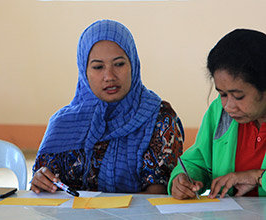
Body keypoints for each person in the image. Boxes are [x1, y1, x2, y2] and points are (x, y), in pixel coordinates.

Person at [30, 19, 184, 194]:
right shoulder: (63, 124)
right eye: (97, 67)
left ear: (133, 64)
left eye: (119, 64)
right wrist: (40, 181)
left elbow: (158, 196)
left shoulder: (159, 118)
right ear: (84, 71)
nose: (109, 76)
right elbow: (44, 191)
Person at [169, 29, 266, 199]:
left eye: (238, 96)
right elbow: (198, 160)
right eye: (222, 94)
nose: (228, 106)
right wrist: (184, 179)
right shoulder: (219, 112)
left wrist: (256, 176)